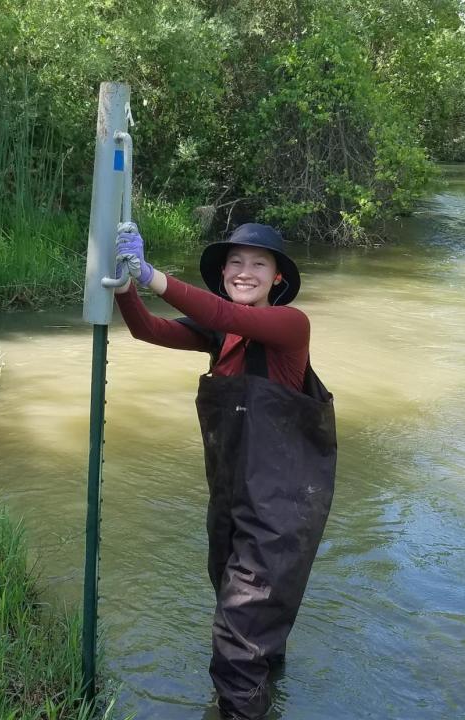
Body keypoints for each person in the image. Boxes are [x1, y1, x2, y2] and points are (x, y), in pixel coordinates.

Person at [112, 222, 338, 720]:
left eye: (259, 263)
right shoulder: (222, 334)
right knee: (247, 626)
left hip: (280, 514)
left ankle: (240, 708)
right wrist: (124, 283)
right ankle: (269, 692)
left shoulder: (290, 326)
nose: (244, 271)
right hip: (232, 501)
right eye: (235, 261)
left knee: (237, 644)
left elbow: (217, 309)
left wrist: (151, 275)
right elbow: (147, 329)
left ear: (278, 279)